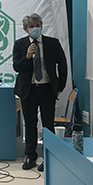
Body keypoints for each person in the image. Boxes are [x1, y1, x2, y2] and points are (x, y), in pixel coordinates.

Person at [12, 13, 67, 171]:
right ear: (25, 29)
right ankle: (30, 155)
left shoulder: (52, 43)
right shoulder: (20, 45)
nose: (35, 28)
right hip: (28, 90)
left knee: (48, 125)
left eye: (37, 25)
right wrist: (27, 56)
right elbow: (17, 67)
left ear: (42, 26)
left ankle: (47, 157)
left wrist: (59, 87)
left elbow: (62, 66)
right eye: (31, 26)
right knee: (30, 124)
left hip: (46, 89)